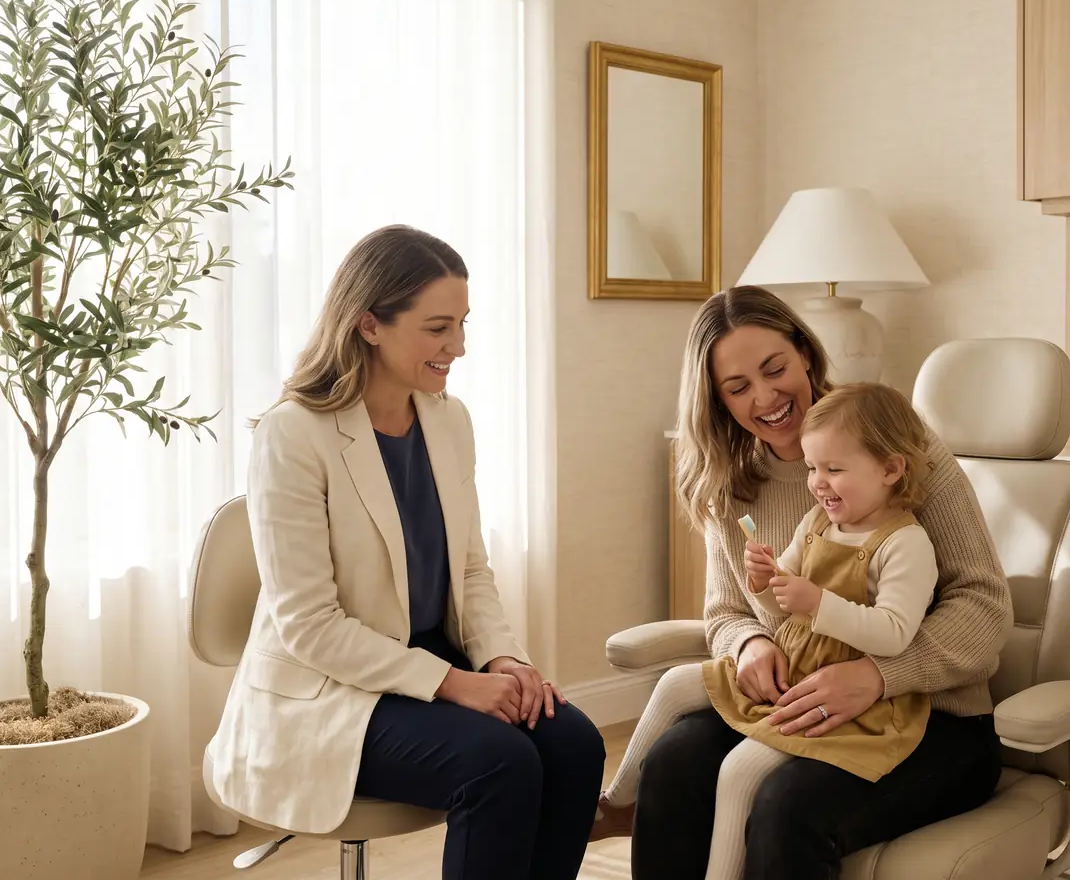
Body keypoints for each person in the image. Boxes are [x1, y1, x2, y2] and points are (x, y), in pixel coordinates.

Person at [205, 225, 606, 880]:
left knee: (574, 744)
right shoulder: (293, 434)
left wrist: (502, 659)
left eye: (462, 324)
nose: (459, 346)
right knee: (499, 763)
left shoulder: (449, 419)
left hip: (428, 657)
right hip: (329, 688)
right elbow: (309, 626)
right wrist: (456, 684)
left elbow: (470, 570)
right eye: (438, 328)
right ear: (369, 324)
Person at [603, 285, 1013, 880]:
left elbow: (983, 605)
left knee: (786, 806)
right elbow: (725, 611)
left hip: (931, 719)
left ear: (805, 353)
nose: (765, 398)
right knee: (673, 764)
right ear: (717, 400)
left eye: (775, 370)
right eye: (738, 387)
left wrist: (878, 675)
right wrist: (749, 644)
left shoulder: (897, 449)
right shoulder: (728, 481)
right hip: (798, 697)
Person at [594, 382, 940, 880]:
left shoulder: (905, 543)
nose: (818, 483)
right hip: (794, 666)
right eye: (813, 468)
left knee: (740, 771)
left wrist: (816, 602)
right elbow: (779, 606)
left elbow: (894, 633)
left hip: (847, 697)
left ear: (890, 469)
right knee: (674, 683)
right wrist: (763, 582)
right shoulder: (818, 522)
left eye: (834, 469)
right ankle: (616, 803)